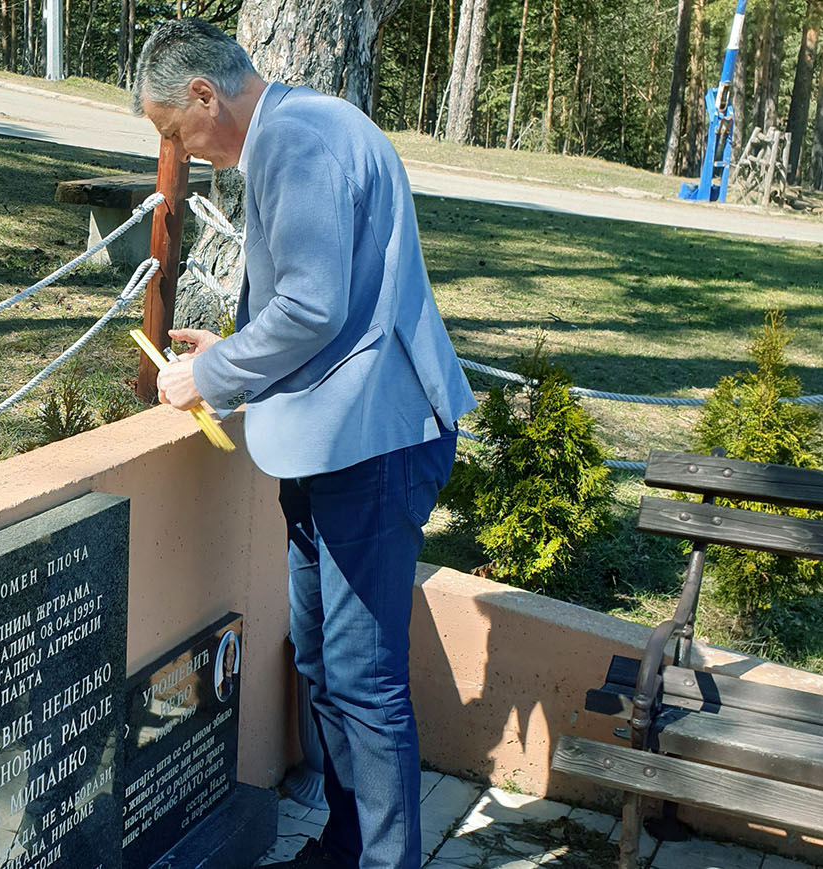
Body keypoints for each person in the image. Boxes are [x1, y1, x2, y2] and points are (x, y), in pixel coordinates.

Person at [130, 20, 477, 869]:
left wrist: (211, 379)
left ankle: (382, 860)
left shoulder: (293, 142)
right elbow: (323, 296)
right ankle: (344, 844)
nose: (182, 150)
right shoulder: (307, 128)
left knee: (364, 680)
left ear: (206, 95)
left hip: (370, 444)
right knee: (323, 660)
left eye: (174, 130)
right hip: (333, 443)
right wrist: (236, 348)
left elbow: (315, 308)